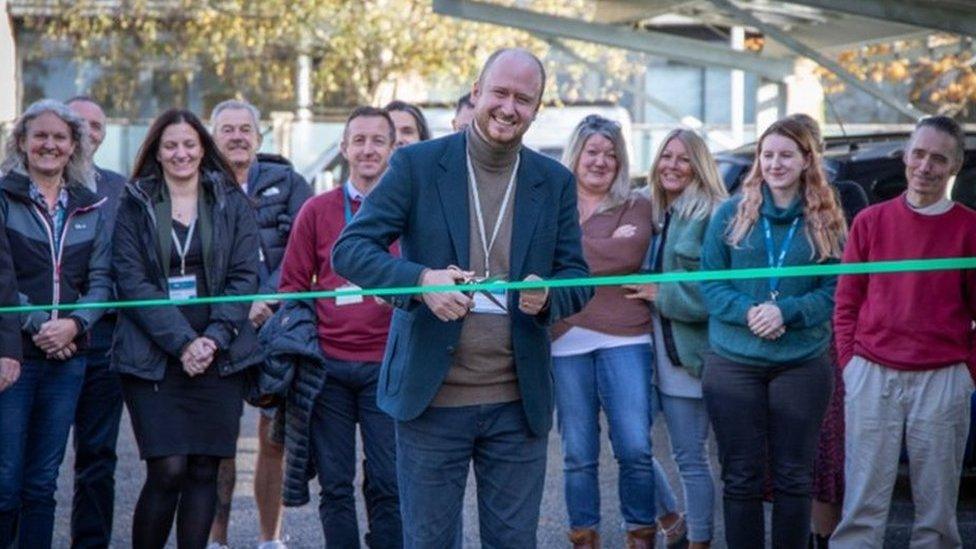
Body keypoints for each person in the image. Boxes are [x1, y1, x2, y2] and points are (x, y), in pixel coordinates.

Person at [332, 47, 591, 549]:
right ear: (476, 93)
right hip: (433, 397)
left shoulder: (554, 180)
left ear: (537, 109)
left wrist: (549, 297)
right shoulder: (416, 164)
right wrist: (421, 280)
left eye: (523, 99)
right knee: (429, 542)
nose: (509, 107)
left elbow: (576, 276)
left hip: (518, 402)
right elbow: (350, 250)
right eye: (499, 93)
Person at [112, 108, 261, 549]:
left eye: (189, 145)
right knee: (168, 468)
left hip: (221, 349)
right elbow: (131, 280)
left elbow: (243, 279)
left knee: (204, 468)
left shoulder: (231, 200)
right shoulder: (135, 201)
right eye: (171, 145)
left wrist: (212, 339)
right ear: (156, 152)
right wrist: (182, 343)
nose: (181, 153)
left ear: (202, 149)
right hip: (155, 350)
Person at [700, 117, 847, 548]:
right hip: (734, 363)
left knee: (793, 477)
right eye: (767, 155)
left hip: (800, 363)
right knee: (741, 476)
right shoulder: (730, 214)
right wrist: (749, 312)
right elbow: (710, 281)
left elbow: (836, 288)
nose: (775, 164)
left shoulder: (827, 218)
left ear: (806, 160)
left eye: (786, 155)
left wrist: (787, 312)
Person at [830, 116, 976, 547]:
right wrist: (850, 364)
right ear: (905, 156)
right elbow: (847, 301)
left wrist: (968, 372)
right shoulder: (871, 222)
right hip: (872, 375)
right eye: (919, 154)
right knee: (861, 508)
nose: (925, 166)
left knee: (936, 513)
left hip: (942, 378)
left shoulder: (969, 230)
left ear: (954, 166)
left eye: (938, 158)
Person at [278, 106, 401, 548]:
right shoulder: (316, 210)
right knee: (335, 483)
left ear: (393, 148)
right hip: (328, 367)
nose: (368, 149)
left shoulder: (407, 210)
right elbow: (292, 285)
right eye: (359, 140)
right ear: (345, 148)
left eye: (378, 141)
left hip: (387, 365)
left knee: (389, 481)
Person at [0, 99, 112, 549]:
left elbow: (103, 282)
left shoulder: (92, 206)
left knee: (43, 482)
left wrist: (73, 326)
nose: (49, 144)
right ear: (22, 143)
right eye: (39, 136)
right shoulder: (5, 199)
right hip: (15, 358)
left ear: (74, 146)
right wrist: (41, 327)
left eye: (59, 137)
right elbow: (2, 280)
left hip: (70, 358)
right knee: (6, 478)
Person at [547, 114, 656, 548]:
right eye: (593, 151)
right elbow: (543, 255)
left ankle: (640, 533)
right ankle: (584, 535)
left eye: (611, 154)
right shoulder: (553, 203)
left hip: (625, 336)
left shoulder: (637, 204)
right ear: (576, 154)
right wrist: (595, 251)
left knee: (634, 447)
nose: (601, 161)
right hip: (564, 338)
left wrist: (568, 251)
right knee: (577, 452)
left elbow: (627, 255)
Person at [207, 98, 312, 549]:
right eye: (227, 129)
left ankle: (270, 540)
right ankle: (216, 539)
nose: (236, 137)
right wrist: (238, 306)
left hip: (278, 325)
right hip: (220, 326)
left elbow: (304, 248)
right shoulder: (198, 183)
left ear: (259, 137)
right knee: (218, 443)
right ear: (213, 138)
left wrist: (267, 298)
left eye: (244, 129)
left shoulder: (289, 182)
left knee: (272, 439)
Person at [629, 128, 727, 548]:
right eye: (666, 156)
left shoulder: (712, 214)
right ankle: (671, 518)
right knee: (629, 444)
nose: (672, 165)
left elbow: (719, 292)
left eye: (683, 159)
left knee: (690, 457)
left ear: (699, 165)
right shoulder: (650, 210)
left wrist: (661, 293)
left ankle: (699, 541)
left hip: (688, 359)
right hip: (642, 351)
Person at [64, 95, 128, 549]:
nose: (89, 133)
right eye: (78, 124)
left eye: (97, 126)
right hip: (39, 341)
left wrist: (82, 322)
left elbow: (126, 266)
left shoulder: (122, 190)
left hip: (103, 341)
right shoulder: (17, 186)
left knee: (98, 457)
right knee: (28, 459)